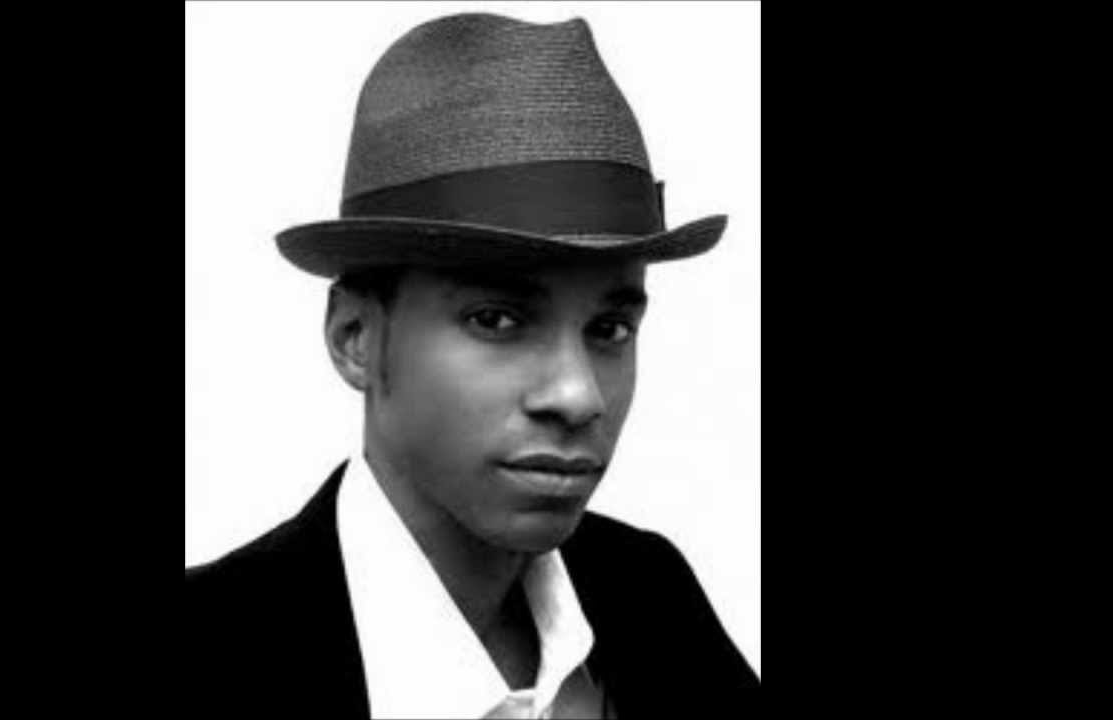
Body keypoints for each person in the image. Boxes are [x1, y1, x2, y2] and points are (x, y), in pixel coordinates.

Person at [185, 12, 759, 715]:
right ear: (354, 336)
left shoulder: (650, 596)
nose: (578, 396)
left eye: (610, 328)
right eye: (497, 320)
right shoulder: (206, 652)